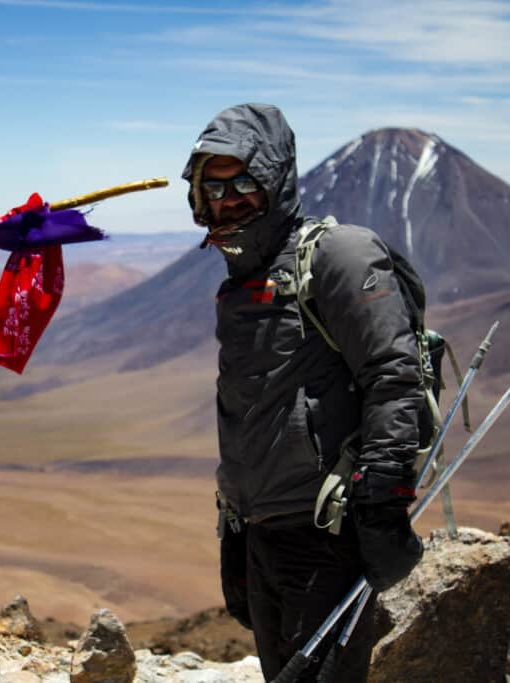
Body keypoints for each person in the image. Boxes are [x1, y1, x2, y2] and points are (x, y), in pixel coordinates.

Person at [183, 103, 424, 682]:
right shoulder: (245, 279)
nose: (228, 198)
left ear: (276, 180)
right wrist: (235, 526)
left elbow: (394, 375)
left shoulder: (338, 256)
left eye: (245, 180)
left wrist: (382, 504)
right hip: (259, 529)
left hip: (325, 533)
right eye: (212, 186)